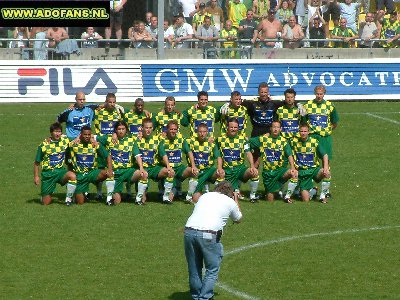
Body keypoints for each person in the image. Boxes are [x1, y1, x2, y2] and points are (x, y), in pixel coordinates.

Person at [184, 181, 242, 300]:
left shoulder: (205, 196)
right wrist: (236, 199)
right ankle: (205, 297)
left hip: (189, 232)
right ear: (230, 193)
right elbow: (238, 218)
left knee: (194, 268)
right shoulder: (230, 201)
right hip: (209, 235)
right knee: (212, 269)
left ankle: (196, 296)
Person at [97, 121, 148, 205]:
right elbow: (93, 137)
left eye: (123, 129)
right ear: (115, 130)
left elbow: (137, 155)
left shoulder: (131, 140)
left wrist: (141, 168)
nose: (121, 131)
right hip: (115, 173)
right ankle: (115, 194)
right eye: (119, 129)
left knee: (144, 174)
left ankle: (138, 200)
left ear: (126, 130)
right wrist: (78, 138)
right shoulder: (109, 139)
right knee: (116, 201)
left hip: (128, 171)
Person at [302, 85, 339, 199]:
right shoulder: (307, 105)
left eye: (321, 94)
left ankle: (325, 191)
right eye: (317, 94)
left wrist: (327, 131)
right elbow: (303, 121)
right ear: (314, 93)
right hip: (312, 137)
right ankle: (310, 187)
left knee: (326, 162)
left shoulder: (330, 106)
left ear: (324, 94)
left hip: (325, 138)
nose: (319, 96)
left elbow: (335, 122)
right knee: (310, 161)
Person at [249, 121, 298, 202]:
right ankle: (270, 193)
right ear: (270, 129)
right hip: (268, 173)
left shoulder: (284, 141)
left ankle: (287, 197)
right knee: (270, 199)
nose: (275, 129)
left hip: (279, 171)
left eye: (277, 127)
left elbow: (289, 155)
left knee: (294, 173)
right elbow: (248, 141)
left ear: (281, 129)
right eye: (274, 127)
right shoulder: (263, 139)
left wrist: (292, 167)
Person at [68, 126, 115, 205]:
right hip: (80, 176)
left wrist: (110, 169)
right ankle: (80, 194)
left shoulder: (95, 144)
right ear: (81, 135)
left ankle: (109, 199)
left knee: (109, 173)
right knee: (80, 202)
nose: (87, 136)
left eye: (89, 134)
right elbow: (59, 138)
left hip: (92, 173)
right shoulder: (74, 144)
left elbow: (108, 156)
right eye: (85, 134)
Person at [216, 118, 259, 201]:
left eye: (235, 127)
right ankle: (235, 190)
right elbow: (217, 155)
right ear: (227, 127)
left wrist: (252, 166)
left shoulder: (242, 140)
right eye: (231, 127)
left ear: (238, 128)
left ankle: (252, 197)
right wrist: (219, 167)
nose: (233, 129)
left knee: (254, 173)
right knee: (227, 195)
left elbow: (248, 153)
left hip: (240, 169)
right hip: (227, 171)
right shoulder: (220, 140)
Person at [34, 122, 77, 205]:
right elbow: (36, 162)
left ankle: (68, 199)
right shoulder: (44, 145)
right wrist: (36, 176)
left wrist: (93, 140)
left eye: (59, 131)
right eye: (55, 132)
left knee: (72, 176)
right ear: (51, 132)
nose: (58, 134)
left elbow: (79, 137)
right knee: (46, 203)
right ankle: (45, 196)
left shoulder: (65, 140)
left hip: (60, 171)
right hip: (48, 174)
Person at [241, 82, 282, 167]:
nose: (263, 94)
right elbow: (237, 101)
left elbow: (289, 101)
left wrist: (299, 104)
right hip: (256, 132)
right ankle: (254, 177)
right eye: (262, 92)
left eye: (265, 92)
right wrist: (227, 104)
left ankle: (271, 177)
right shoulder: (252, 104)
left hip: (269, 132)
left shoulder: (274, 104)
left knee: (271, 157)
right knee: (256, 159)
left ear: (268, 92)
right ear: (259, 93)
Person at [135, 118, 175, 203]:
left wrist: (168, 166)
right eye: (146, 128)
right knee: (142, 200)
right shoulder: (137, 139)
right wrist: (141, 168)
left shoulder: (157, 140)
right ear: (142, 128)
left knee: (170, 172)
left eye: (150, 128)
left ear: (153, 128)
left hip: (154, 168)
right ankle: (140, 196)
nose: (148, 130)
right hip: (142, 169)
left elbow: (163, 153)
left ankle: (165, 197)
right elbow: (137, 155)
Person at [290, 123, 331, 203]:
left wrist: (325, 167)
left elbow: (325, 155)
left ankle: (322, 197)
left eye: (305, 131)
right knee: (306, 200)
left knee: (326, 173)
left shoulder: (314, 142)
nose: (303, 133)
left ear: (308, 132)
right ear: (299, 132)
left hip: (314, 170)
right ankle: (313, 191)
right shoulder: (293, 142)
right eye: (301, 131)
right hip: (303, 173)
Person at [183, 123, 222, 203]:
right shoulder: (190, 142)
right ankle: (190, 195)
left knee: (220, 173)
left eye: (204, 132)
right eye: (200, 132)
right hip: (198, 172)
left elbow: (218, 157)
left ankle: (219, 196)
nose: (202, 134)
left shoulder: (211, 144)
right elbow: (180, 140)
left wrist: (220, 168)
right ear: (197, 132)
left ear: (207, 132)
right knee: (196, 199)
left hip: (208, 170)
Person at [162, 120, 196, 202]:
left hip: (179, 168)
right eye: (171, 129)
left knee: (194, 172)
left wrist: (193, 166)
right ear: (167, 130)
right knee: (170, 198)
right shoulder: (162, 140)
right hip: (168, 169)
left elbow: (189, 152)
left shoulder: (181, 139)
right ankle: (171, 189)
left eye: (175, 129)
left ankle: (189, 197)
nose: (173, 131)